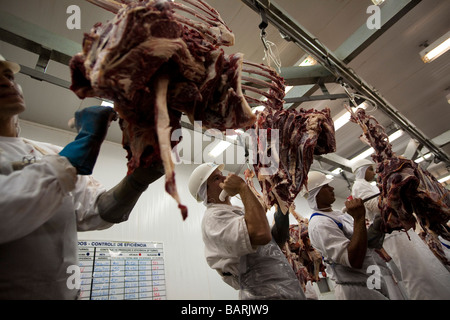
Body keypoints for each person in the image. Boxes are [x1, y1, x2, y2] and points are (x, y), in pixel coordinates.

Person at [0, 55, 164, 299]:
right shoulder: (61, 158)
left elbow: (99, 211)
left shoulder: (49, 152)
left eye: (8, 75)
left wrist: (137, 180)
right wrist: (77, 152)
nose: (6, 82)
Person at [188, 163, 305, 300]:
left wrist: (282, 211)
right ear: (205, 192)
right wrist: (242, 188)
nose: (225, 178)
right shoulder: (213, 219)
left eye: (221, 175)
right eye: (216, 179)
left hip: (288, 290)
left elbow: (274, 243)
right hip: (263, 296)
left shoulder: (237, 212)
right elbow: (261, 235)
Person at [351, 159, 450, 299]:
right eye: (370, 169)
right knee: (414, 273)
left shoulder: (368, 185)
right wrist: (394, 192)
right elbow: (374, 205)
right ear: (362, 170)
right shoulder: (358, 186)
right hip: (391, 234)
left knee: (425, 267)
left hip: (400, 230)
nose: (373, 173)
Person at [305, 171, 392, 300]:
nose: (332, 188)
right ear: (315, 194)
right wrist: (358, 218)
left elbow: (365, 243)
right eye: (326, 187)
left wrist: (379, 225)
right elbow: (353, 260)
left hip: (371, 279)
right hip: (355, 289)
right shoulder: (320, 224)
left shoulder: (340, 215)